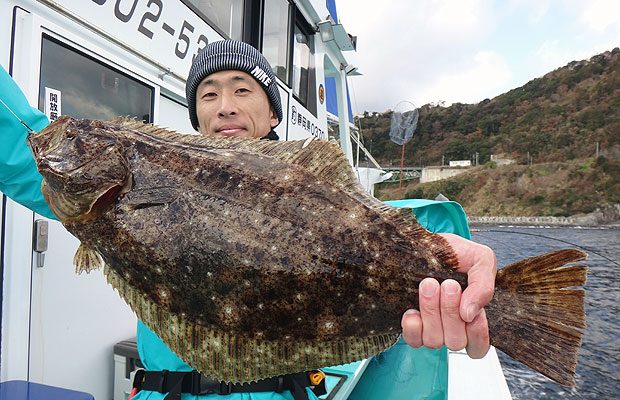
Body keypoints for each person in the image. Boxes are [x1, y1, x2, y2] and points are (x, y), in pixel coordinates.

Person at [0, 40, 496, 400]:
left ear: (273, 112)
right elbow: (20, 146)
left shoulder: (315, 198)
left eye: (243, 89)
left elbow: (370, 233)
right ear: (195, 116)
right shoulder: (100, 194)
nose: (227, 106)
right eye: (209, 94)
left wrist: (448, 259)